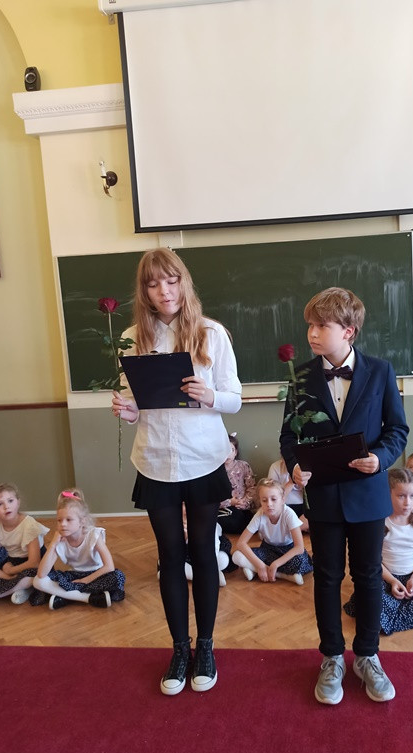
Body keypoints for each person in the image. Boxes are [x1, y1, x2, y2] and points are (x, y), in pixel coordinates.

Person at [112, 247, 241, 696]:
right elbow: (136, 405)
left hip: (202, 458)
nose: (164, 291)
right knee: (169, 556)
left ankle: (205, 646)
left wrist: (210, 396)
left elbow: (234, 398)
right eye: (153, 284)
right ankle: (179, 648)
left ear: (184, 282)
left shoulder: (211, 333)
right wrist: (127, 410)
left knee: (203, 551)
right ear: (143, 291)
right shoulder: (131, 337)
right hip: (155, 460)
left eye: (171, 281)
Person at [280, 287, 408, 705]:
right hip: (324, 498)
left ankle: (368, 655)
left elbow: (397, 430)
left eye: (322, 326)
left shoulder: (381, 371)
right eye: (310, 326)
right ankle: (332, 656)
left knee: (368, 576)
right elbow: (288, 437)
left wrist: (380, 458)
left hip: (368, 495)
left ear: (349, 331)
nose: (312, 333)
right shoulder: (300, 376)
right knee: (327, 577)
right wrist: (294, 465)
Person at [344, 469, 413, 635]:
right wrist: (392, 581)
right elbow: (373, 561)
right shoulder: (379, 523)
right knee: (370, 598)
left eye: (412, 496)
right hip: (385, 578)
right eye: (401, 496)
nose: (408, 502)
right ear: (387, 494)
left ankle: (395, 616)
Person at [33, 488, 125, 609]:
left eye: (69, 520)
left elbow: (109, 567)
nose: (63, 524)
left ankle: (66, 597)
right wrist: (53, 543)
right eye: (59, 520)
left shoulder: (93, 535)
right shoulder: (60, 540)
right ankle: (88, 598)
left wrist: (85, 580)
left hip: (96, 575)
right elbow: (41, 573)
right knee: (38, 581)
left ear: (82, 521)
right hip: (74, 575)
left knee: (118, 576)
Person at [232, 478, 313, 584]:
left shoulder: (289, 514)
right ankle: (280, 574)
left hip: (288, 550)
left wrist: (276, 564)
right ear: (260, 501)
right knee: (237, 556)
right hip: (268, 550)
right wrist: (260, 565)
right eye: (264, 500)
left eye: (274, 499)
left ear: (283, 499)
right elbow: (241, 543)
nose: (269, 504)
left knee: (300, 561)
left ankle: (256, 570)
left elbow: (299, 548)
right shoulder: (259, 515)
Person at [0, 483, 48, 604]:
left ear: (18, 503)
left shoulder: (28, 524)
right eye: (0, 504)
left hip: (35, 565)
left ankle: (23, 587)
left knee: (31, 577)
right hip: (14, 562)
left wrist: (11, 571)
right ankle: (22, 588)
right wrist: (6, 576)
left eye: (10, 501)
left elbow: (35, 562)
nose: (6, 507)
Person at [217, 432, 256, 538]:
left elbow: (252, 488)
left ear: (236, 452)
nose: (228, 454)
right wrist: (230, 502)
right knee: (234, 522)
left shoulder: (243, 466)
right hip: (225, 508)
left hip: (243, 506)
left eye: (231, 450)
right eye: (224, 450)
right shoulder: (216, 471)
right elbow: (212, 496)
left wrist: (245, 502)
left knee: (252, 522)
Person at [267, 456, 309, 531]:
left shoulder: (307, 466)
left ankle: (291, 530)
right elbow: (272, 497)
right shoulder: (275, 467)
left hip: (304, 508)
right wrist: (291, 482)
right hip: (284, 507)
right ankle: (294, 530)